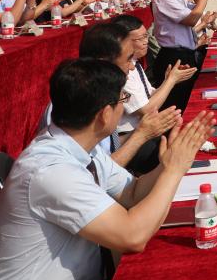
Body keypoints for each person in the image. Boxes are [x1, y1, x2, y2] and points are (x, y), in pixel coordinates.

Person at [0, 58, 214, 280]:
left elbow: (132, 193)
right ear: (105, 114)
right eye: (122, 99)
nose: (124, 108)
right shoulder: (51, 171)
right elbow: (132, 236)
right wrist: (174, 171)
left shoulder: (81, 147)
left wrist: (166, 165)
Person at [76, 22, 183, 172]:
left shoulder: (101, 89)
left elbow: (109, 148)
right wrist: (141, 135)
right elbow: (97, 174)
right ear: (104, 62)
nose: (132, 67)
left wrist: (143, 132)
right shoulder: (80, 100)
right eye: (128, 59)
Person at [111, 14, 197, 173]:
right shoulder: (121, 70)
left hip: (146, 128)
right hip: (130, 137)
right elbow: (146, 109)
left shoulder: (134, 63)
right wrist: (171, 81)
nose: (146, 41)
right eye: (140, 38)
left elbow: (150, 95)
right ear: (122, 41)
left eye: (146, 36)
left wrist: (169, 80)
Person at [150, 0, 217, 110]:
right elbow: (191, 19)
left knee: (185, 103)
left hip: (182, 54)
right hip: (174, 57)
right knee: (176, 106)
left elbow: (193, 11)